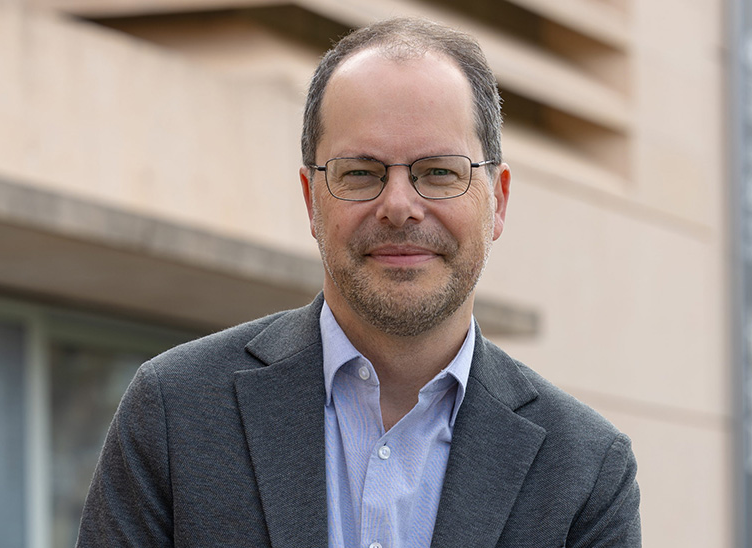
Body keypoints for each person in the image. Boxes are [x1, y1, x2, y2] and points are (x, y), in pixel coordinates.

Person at [76, 17, 641, 548]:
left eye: (440, 171)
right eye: (361, 173)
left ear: (498, 201)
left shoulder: (587, 471)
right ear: (311, 200)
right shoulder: (175, 413)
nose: (399, 206)